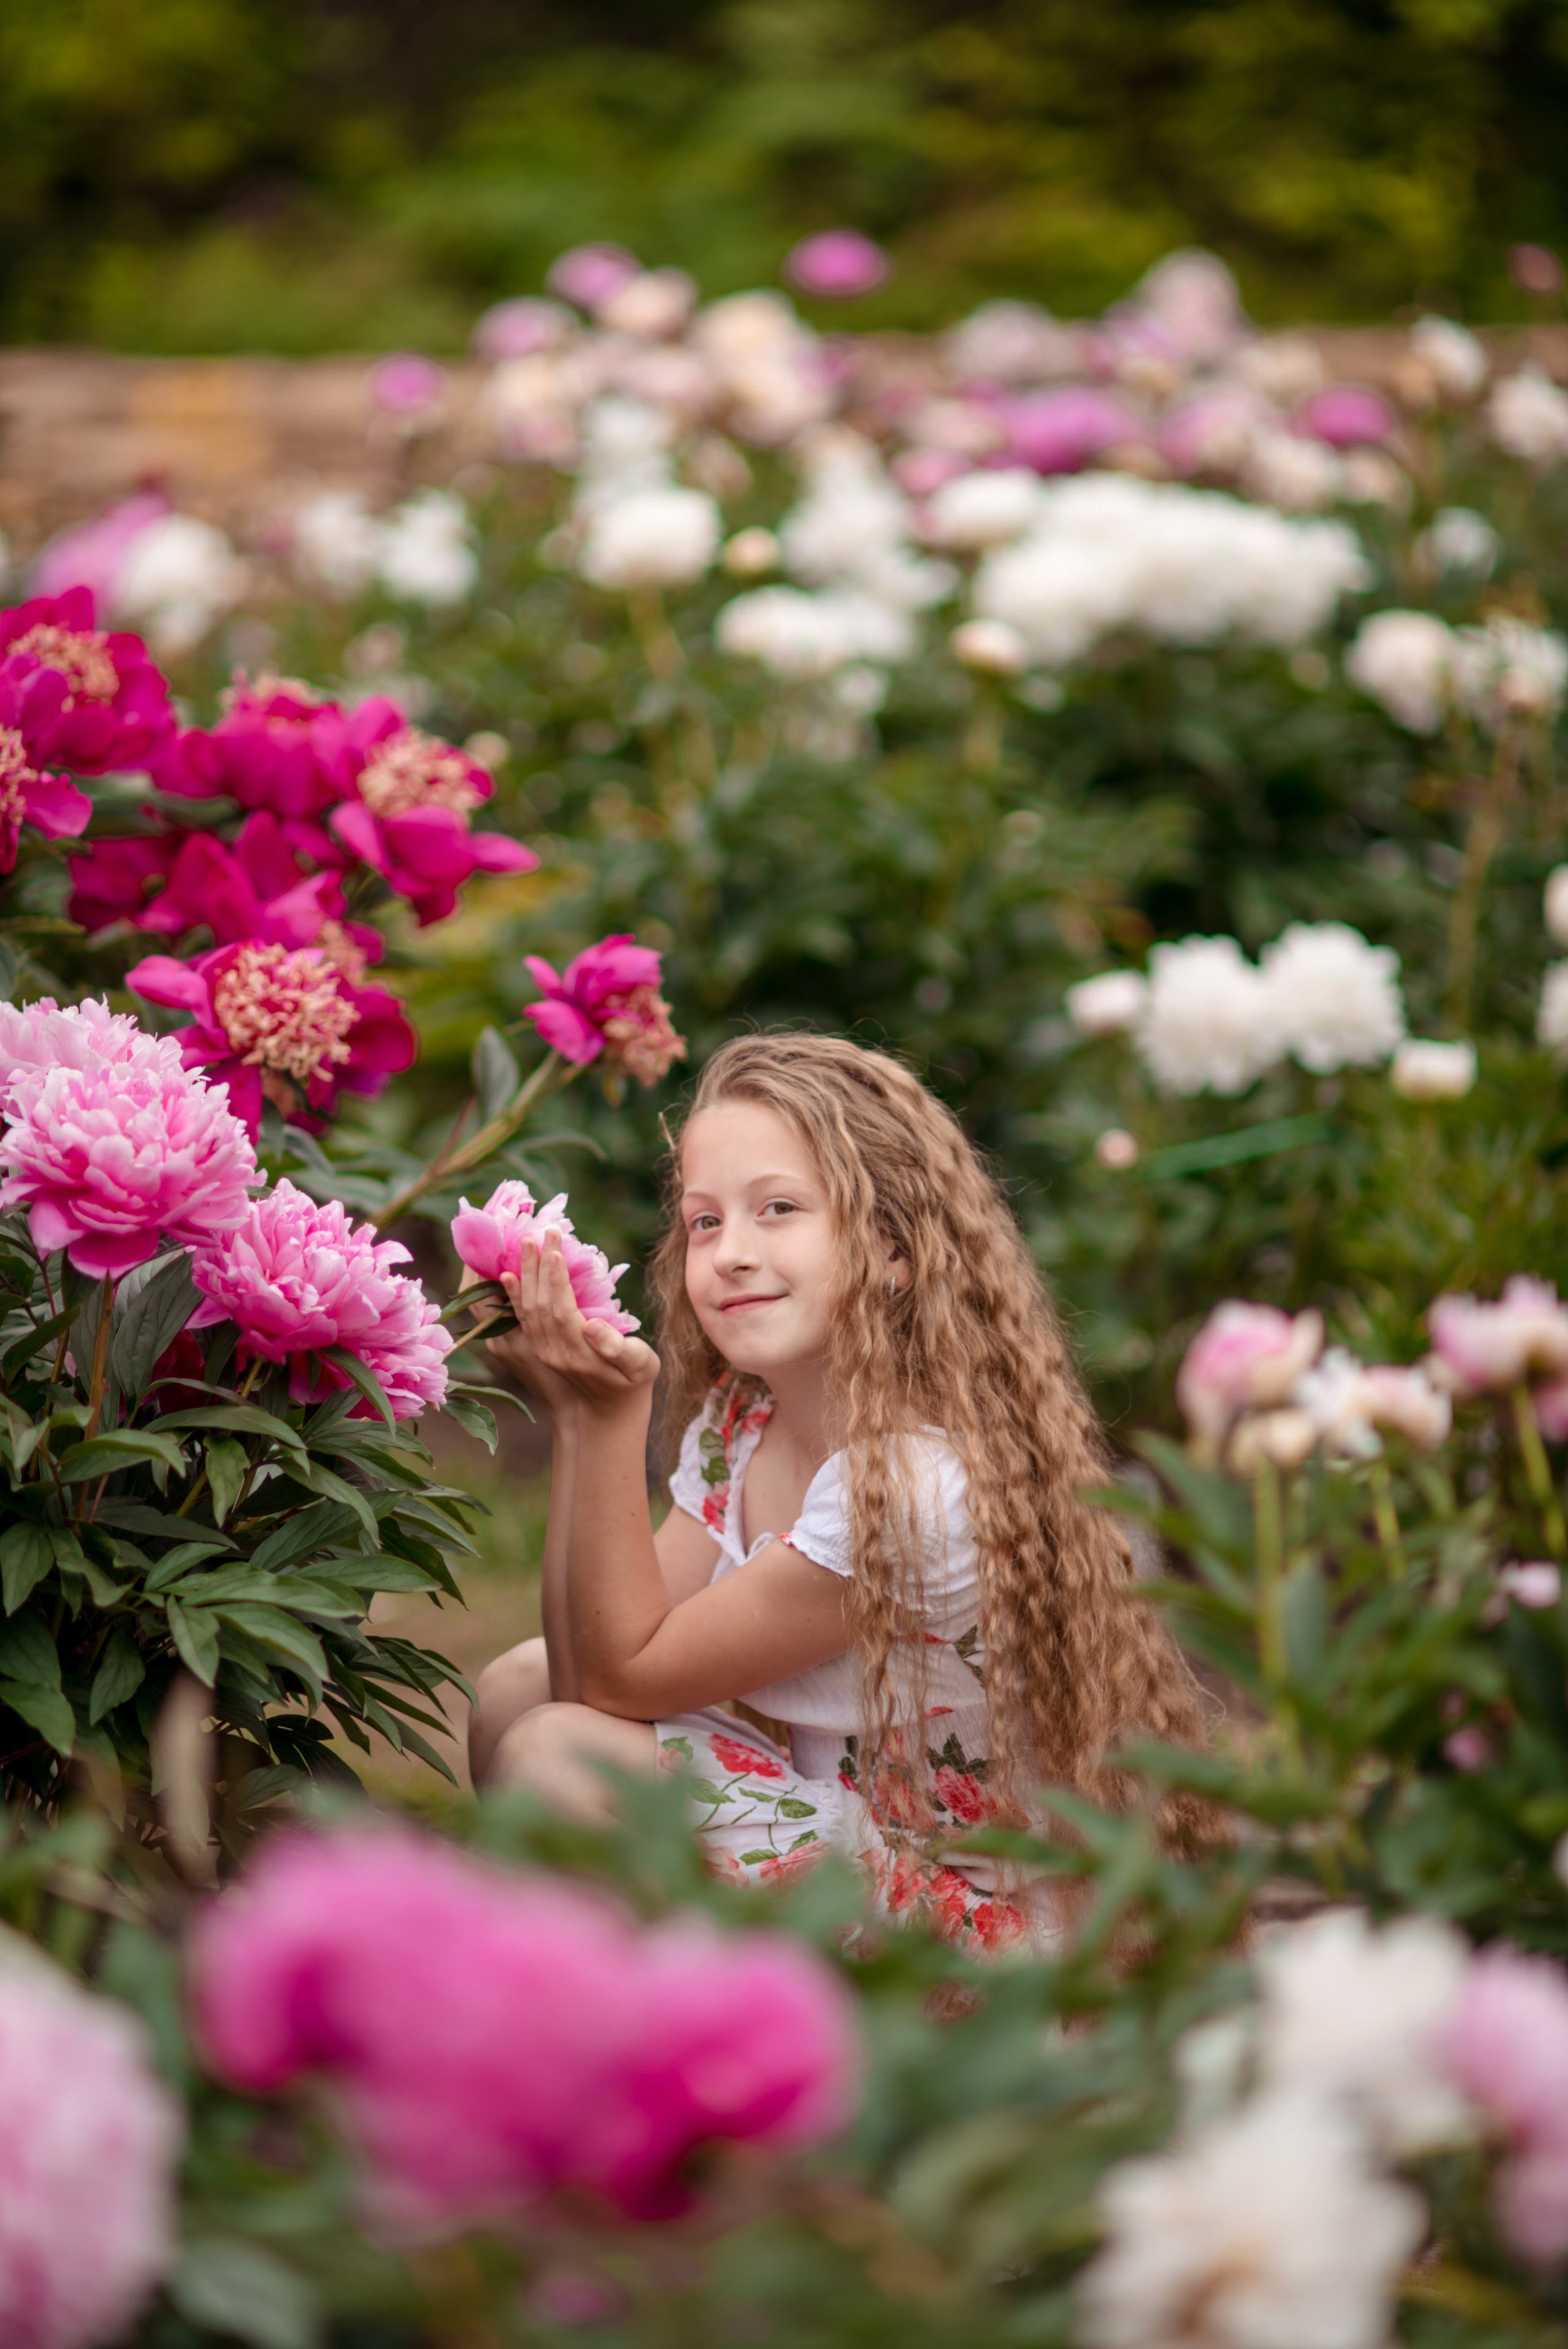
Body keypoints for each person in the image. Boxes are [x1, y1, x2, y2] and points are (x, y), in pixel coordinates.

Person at [467, 1033, 1210, 1953]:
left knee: (556, 1754)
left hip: (982, 1946)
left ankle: (650, 2046)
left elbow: (619, 1680)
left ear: (894, 1250)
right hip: (858, 1852)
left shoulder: (910, 1491)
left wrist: (610, 1418)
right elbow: (596, 1670)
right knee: (520, 1687)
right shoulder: (742, 1423)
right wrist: (579, 1420)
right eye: (704, 1221)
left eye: (778, 1209)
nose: (731, 1252)